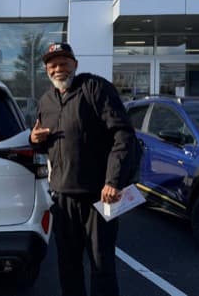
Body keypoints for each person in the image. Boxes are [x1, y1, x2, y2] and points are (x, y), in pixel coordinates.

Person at [29, 42, 138, 296]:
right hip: (62, 198)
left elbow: (123, 135)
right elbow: (46, 146)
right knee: (68, 266)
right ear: (46, 70)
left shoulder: (95, 88)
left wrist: (113, 180)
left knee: (102, 265)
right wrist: (33, 141)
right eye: (52, 65)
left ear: (75, 64)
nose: (58, 69)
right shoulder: (46, 101)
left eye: (64, 63)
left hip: (98, 197)